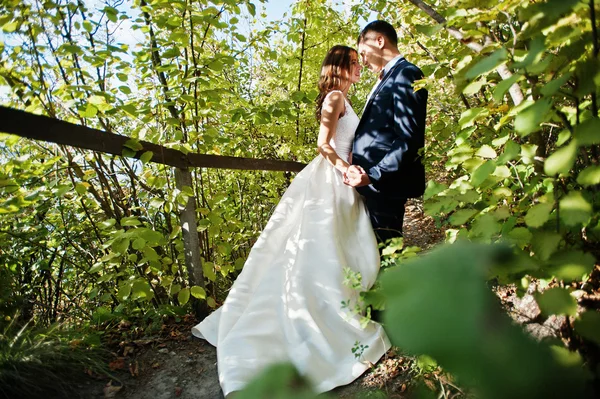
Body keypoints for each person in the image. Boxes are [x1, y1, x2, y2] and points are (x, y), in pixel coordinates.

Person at [192, 45, 390, 397]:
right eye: (354, 63)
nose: (359, 68)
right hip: (332, 179)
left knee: (334, 250)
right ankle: (311, 322)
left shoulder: (342, 98)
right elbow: (323, 145)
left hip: (339, 180)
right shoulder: (334, 98)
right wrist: (347, 169)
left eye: (360, 63)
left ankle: (339, 306)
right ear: (340, 68)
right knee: (322, 251)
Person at [344, 20, 428, 243]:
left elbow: (408, 138)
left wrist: (373, 175)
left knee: (386, 255)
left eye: (363, 53)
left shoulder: (407, 74)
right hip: (373, 186)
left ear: (380, 41)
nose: (362, 61)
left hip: (385, 186)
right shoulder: (388, 78)